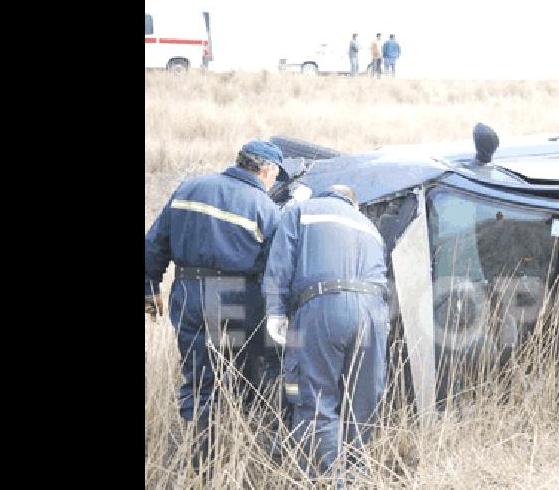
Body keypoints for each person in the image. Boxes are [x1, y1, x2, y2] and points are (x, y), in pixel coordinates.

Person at [145, 140, 288, 467]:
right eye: (275, 177)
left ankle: (198, 460)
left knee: (198, 378)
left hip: (187, 295)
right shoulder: (264, 208)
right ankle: (231, 458)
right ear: (266, 171)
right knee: (240, 377)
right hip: (234, 300)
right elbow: (274, 271)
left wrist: (149, 286)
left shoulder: (189, 187)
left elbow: (154, 244)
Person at [261, 184, 390, 480]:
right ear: (353, 203)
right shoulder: (370, 227)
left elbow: (278, 267)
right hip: (372, 312)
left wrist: (275, 312)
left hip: (322, 305)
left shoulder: (302, 211)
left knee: (317, 401)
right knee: (363, 404)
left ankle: (328, 482)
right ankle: (356, 478)